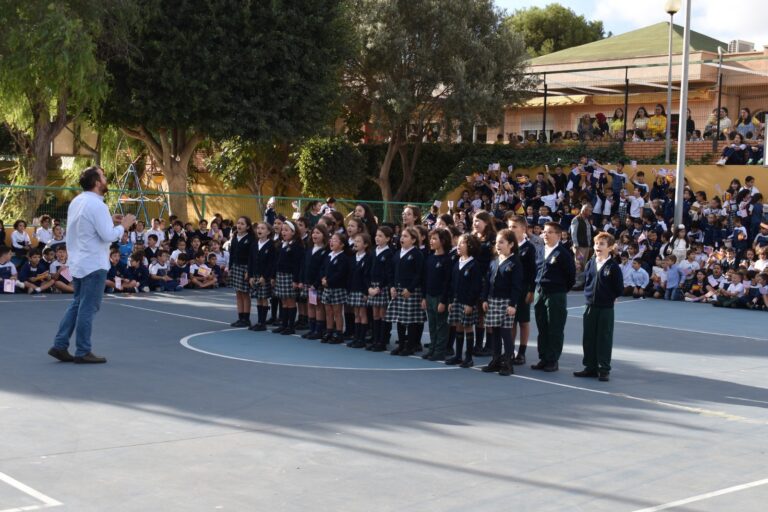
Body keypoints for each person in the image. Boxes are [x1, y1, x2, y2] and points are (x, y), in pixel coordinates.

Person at [48, 166, 136, 364]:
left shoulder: (78, 201)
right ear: (97, 182)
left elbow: (85, 226)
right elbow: (108, 235)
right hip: (94, 263)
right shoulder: (98, 205)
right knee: (88, 307)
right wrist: (124, 225)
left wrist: (109, 220)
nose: (106, 179)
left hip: (78, 262)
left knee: (77, 303)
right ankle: (83, 351)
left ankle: (60, 344)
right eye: (103, 176)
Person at [574, 232, 624, 382]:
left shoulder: (613, 267)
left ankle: (603, 369)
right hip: (590, 306)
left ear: (610, 248)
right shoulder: (590, 263)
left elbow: (619, 288)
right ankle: (590, 367)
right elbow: (588, 281)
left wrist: (610, 298)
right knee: (588, 337)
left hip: (605, 308)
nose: (598, 247)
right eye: (596, 244)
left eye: (602, 244)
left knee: (604, 337)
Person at [532, 222, 576, 372]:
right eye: (544, 232)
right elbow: (535, 270)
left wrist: (561, 290)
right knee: (542, 326)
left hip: (556, 294)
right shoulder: (539, 250)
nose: (546, 234)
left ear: (558, 235)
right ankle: (543, 357)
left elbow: (571, 276)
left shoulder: (563, 253)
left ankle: (553, 359)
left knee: (555, 327)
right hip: (540, 292)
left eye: (550, 232)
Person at [481, 229, 522, 376]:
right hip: (493, 301)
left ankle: (508, 363)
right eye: (497, 242)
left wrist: (512, 304)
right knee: (495, 332)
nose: (498, 245)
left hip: (506, 302)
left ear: (511, 244)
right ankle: (496, 360)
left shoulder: (515, 262)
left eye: (502, 242)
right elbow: (487, 282)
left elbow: (517, 286)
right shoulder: (494, 261)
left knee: (506, 333)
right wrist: (485, 298)